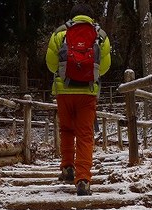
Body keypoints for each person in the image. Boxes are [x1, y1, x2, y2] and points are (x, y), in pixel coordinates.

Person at [45, 3, 111, 196]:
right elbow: (105, 66)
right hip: (88, 93)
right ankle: (82, 179)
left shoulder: (59, 34)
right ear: (91, 17)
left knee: (66, 129)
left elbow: (50, 65)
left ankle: (67, 168)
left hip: (64, 91)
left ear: (72, 17)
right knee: (85, 134)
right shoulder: (101, 36)